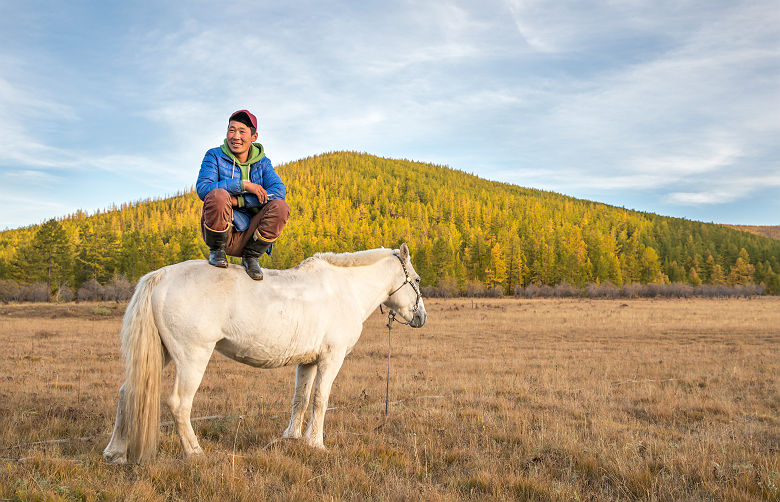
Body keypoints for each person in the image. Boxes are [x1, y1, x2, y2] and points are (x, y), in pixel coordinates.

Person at [196, 110, 290, 280]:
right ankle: (217, 251)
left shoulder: (263, 163)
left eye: (242, 131)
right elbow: (203, 188)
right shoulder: (214, 156)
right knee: (218, 195)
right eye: (231, 130)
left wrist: (239, 201)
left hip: (251, 234)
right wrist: (243, 185)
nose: (236, 136)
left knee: (281, 207)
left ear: (254, 137)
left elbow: (278, 191)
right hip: (223, 229)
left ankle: (251, 257)